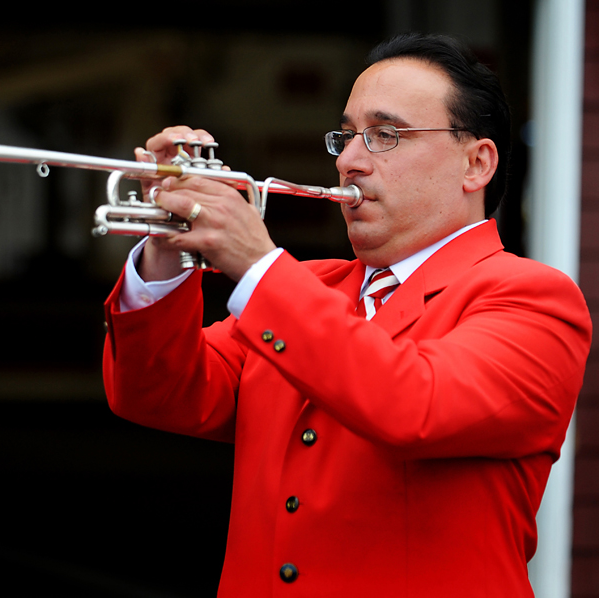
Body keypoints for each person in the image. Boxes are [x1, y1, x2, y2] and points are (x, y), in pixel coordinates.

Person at [101, 33, 593, 596]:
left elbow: (414, 403)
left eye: (385, 136)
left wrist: (258, 264)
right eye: (348, 136)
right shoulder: (307, 288)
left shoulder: (533, 298)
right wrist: (167, 247)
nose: (350, 161)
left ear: (475, 162)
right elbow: (157, 392)